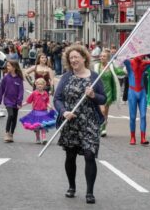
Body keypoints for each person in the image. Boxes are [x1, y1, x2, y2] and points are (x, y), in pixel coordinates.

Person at [54, 44, 106, 205]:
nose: (74, 60)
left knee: (90, 154)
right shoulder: (66, 77)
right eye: (71, 58)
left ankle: (90, 192)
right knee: (70, 155)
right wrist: (63, 112)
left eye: (76, 57)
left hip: (89, 121)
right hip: (71, 121)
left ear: (84, 58)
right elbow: (57, 98)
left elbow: (103, 98)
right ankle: (72, 186)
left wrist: (93, 95)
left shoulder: (95, 77)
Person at [122, 55, 150, 145]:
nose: (140, 56)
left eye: (142, 54)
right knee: (132, 117)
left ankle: (143, 138)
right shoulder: (130, 63)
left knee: (143, 116)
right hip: (132, 92)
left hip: (142, 92)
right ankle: (132, 137)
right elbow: (121, 59)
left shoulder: (144, 64)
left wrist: (148, 61)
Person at [93, 50, 125, 137]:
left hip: (109, 92)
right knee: (101, 110)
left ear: (108, 58)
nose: (102, 57)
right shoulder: (96, 66)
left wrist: (127, 71)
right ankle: (99, 125)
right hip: (98, 92)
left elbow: (118, 71)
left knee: (105, 112)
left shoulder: (111, 66)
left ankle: (103, 128)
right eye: (101, 56)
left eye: (104, 56)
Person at [20, 78, 56, 144]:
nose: (40, 86)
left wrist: (50, 106)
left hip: (44, 112)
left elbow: (47, 102)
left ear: (44, 85)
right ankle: (37, 138)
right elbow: (28, 101)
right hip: (36, 112)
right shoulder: (34, 93)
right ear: (36, 85)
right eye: (38, 84)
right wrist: (21, 105)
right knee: (37, 127)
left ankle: (44, 138)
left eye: (41, 84)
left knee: (43, 125)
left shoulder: (45, 93)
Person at [0, 60, 24, 143]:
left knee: (14, 118)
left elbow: (21, 91)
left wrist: (19, 102)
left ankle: (11, 134)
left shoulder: (19, 79)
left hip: (16, 102)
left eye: (8, 66)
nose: (7, 67)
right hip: (8, 101)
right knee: (11, 115)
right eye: (7, 66)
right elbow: (1, 90)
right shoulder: (5, 77)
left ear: (14, 67)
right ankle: (7, 132)